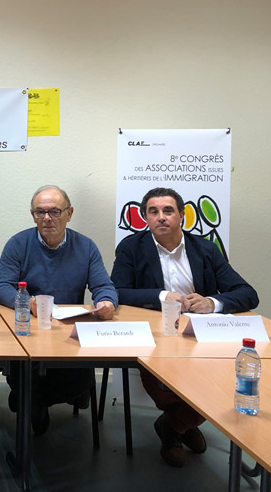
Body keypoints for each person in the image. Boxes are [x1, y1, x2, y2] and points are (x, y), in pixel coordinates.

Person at [111, 187, 258, 467]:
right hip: (156, 335)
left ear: (182, 216)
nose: (161, 217)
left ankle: (171, 427)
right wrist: (162, 296)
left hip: (202, 335)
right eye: (153, 211)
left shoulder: (205, 248)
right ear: (145, 217)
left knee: (222, 384)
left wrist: (212, 303)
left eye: (168, 210)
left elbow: (248, 293)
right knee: (162, 386)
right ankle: (182, 426)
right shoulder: (132, 247)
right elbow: (117, 291)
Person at [0, 185, 117, 435]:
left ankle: (31, 402)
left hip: (67, 331)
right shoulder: (18, 244)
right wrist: (26, 303)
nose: (47, 218)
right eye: (40, 212)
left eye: (55, 212)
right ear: (33, 216)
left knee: (74, 378)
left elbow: (103, 285)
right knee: (23, 369)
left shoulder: (86, 246)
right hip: (28, 328)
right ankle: (33, 405)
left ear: (69, 213)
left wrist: (107, 302)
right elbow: (2, 287)